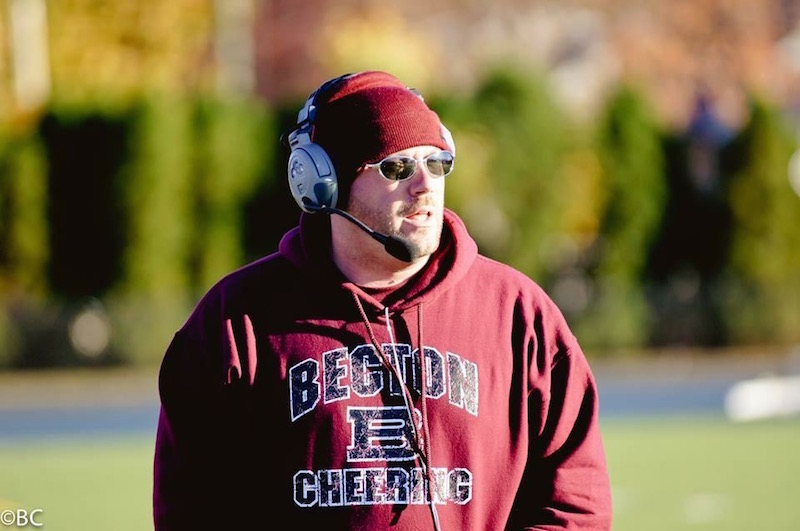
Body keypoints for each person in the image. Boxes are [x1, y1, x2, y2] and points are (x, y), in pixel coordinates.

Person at [153, 70, 613, 530]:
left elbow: (575, 505)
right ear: (323, 184)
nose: (425, 185)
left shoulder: (518, 313)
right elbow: (192, 511)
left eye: (437, 163)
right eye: (396, 168)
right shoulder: (237, 322)